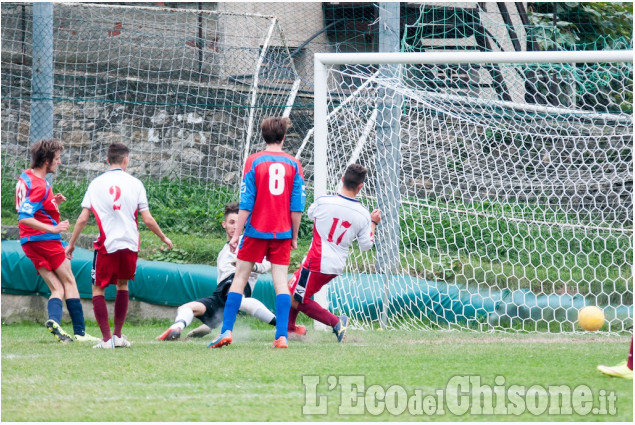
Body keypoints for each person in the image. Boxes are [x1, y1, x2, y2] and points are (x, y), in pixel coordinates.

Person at [208, 116, 305, 349]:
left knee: (239, 280)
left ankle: (226, 331)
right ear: (283, 137)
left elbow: (245, 203)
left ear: (263, 136)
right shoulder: (294, 164)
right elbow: (297, 206)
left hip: (255, 231)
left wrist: (235, 235)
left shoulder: (254, 161)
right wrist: (294, 235)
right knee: (281, 283)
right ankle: (281, 336)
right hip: (281, 232)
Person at [65, 143, 173, 349]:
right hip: (130, 244)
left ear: (107, 160)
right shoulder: (136, 183)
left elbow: (82, 218)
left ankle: (106, 340)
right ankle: (118, 336)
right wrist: (163, 238)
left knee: (98, 288)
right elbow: (148, 219)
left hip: (107, 244)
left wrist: (71, 244)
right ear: (126, 160)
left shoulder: (96, 184)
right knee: (123, 285)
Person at [15, 139, 99, 343]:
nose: (59, 162)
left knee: (57, 288)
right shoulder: (40, 185)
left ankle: (54, 322)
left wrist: (52, 202)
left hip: (28, 242)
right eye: (58, 158)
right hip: (45, 240)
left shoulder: (25, 176)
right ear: (46, 161)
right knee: (70, 280)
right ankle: (80, 332)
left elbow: (28, 206)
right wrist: (52, 228)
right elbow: (24, 216)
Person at [287, 164, 381, 342]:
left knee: (294, 298)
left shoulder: (324, 201)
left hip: (317, 260)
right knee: (293, 290)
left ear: (342, 180)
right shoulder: (363, 214)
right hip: (335, 264)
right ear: (360, 187)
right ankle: (289, 329)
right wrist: (373, 223)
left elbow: (309, 214)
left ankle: (336, 322)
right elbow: (366, 246)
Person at [156, 202, 276, 341]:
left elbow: (267, 263)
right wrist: (210, 325)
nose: (235, 226)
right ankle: (176, 328)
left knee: (239, 300)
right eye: (231, 222)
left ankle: (283, 326)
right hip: (220, 294)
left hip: (238, 284)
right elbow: (222, 294)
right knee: (186, 308)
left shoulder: (248, 241)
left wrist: (249, 266)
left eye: (239, 222)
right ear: (224, 224)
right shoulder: (222, 253)